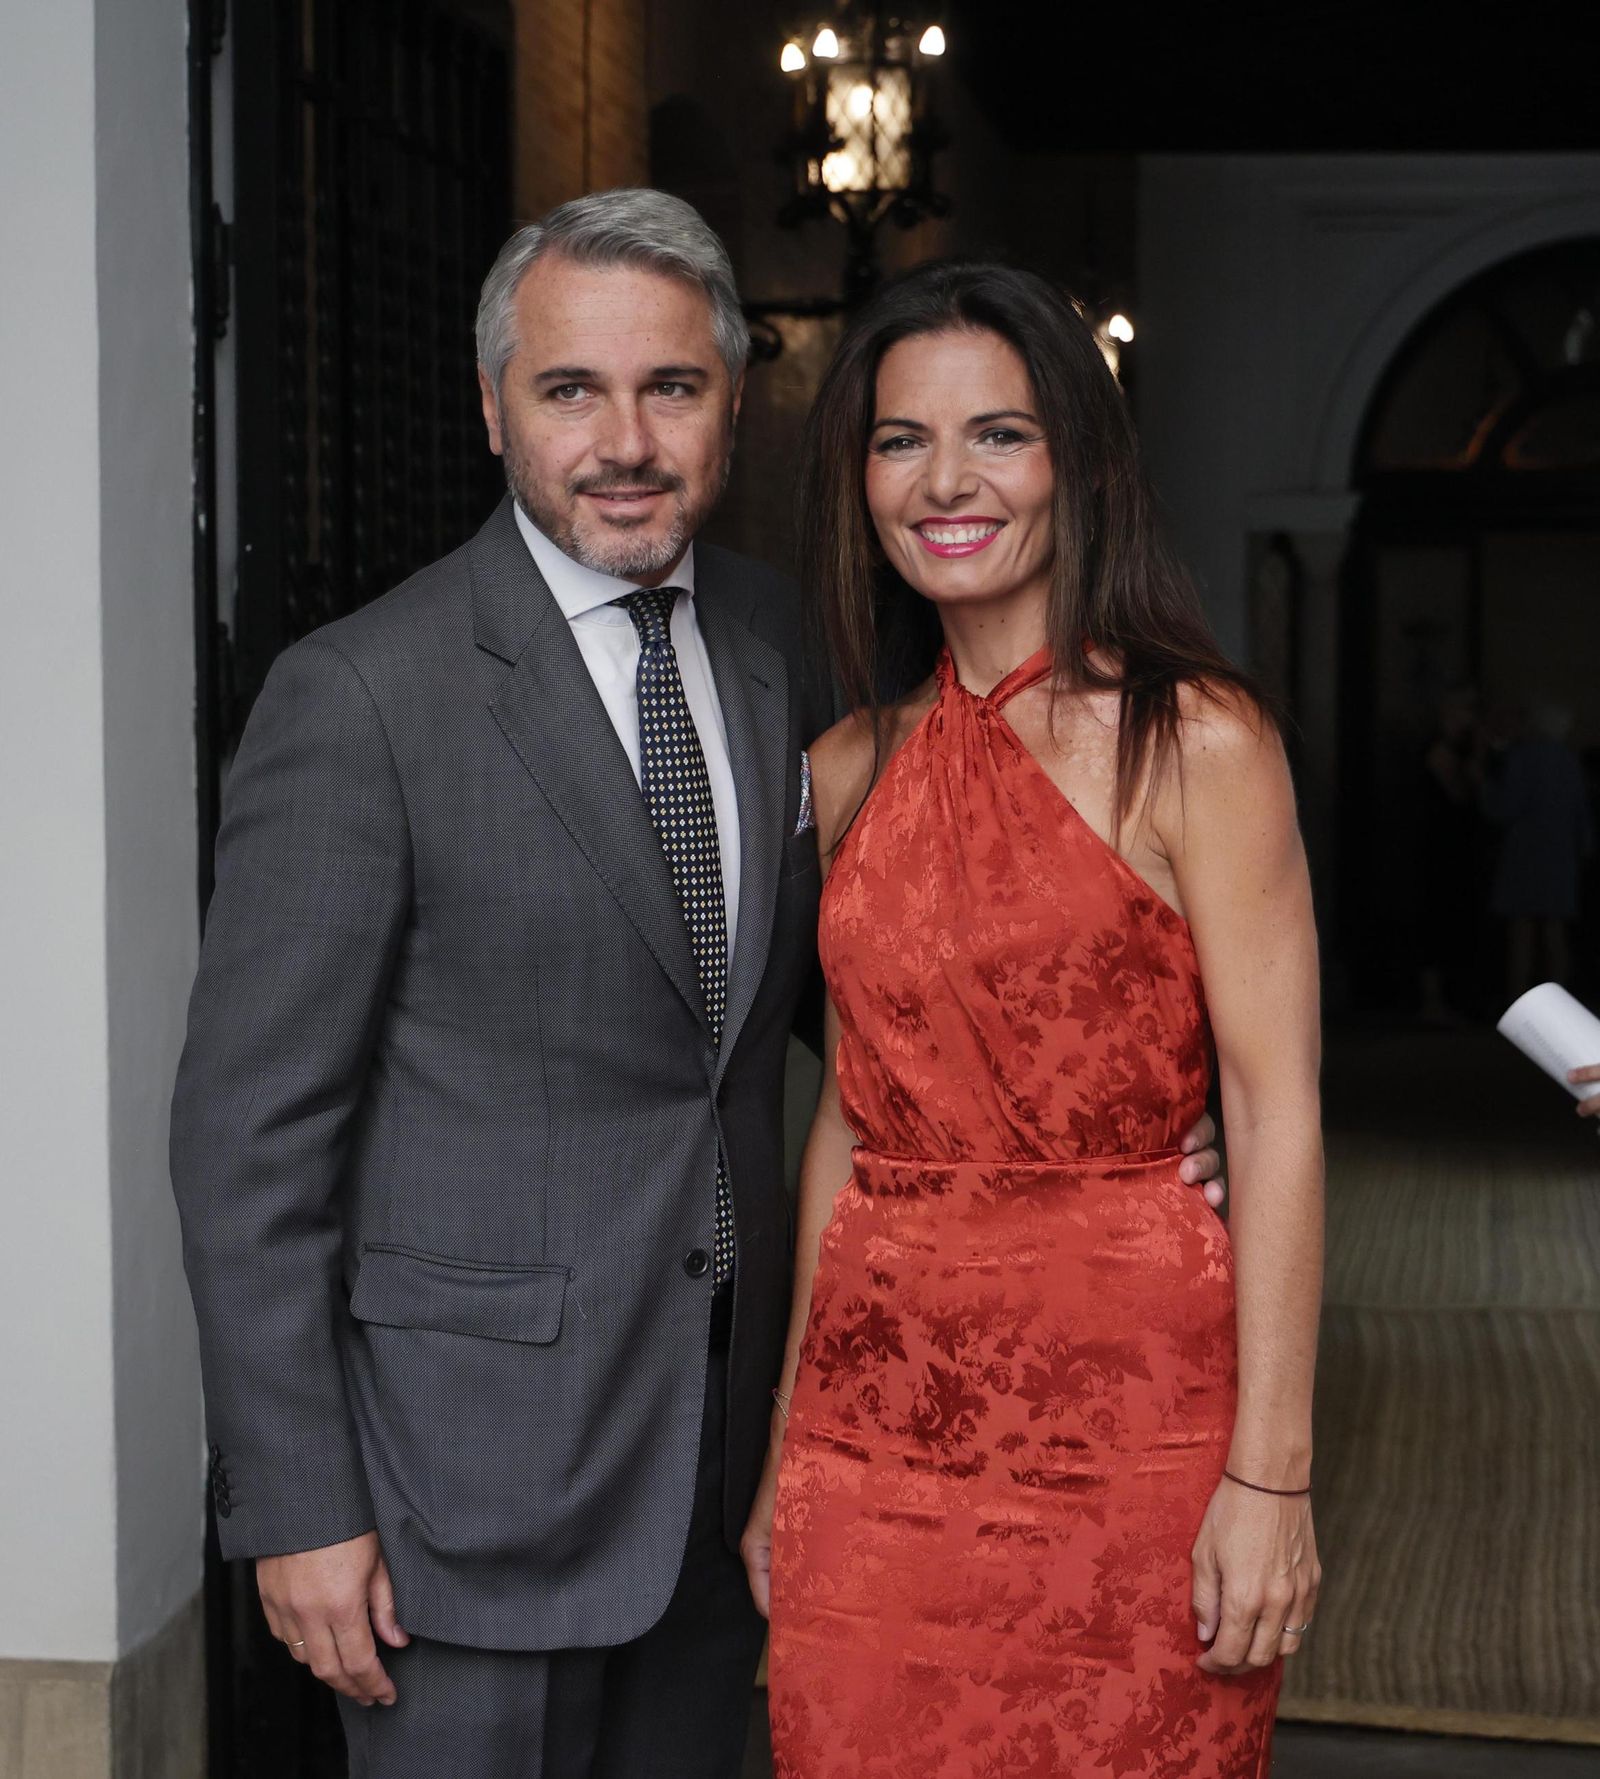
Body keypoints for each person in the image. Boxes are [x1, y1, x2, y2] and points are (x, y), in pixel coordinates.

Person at [169, 194, 1227, 1779]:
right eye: (569, 390)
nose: (626, 441)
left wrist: (1118, 1136)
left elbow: (888, 987)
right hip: (459, 1504)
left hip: (740, 1469)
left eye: (671, 387)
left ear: (736, 400)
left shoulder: (780, 638)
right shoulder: (363, 697)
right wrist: (302, 1504)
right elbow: (245, 1144)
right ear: (490, 406)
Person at [746, 262, 1324, 1778]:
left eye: (998, 433)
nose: (945, 481)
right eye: (899, 440)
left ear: (1080, 456)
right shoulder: (844, 769)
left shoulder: (1196, 739)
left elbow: (1274, 1113)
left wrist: (1273, 1472)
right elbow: (844, 1121)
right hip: (869, 1446)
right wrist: (782, 1467)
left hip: (1135, 1424)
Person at [1483, 700, 1595, 1000]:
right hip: (1560, 858)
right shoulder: (1569, 762)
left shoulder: (1522, 758)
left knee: (1522, 932)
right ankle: (1558, 1003)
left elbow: (1505, 807)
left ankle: (1519, 1002)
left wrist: (1484, 789)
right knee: (1554, 933)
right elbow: (1581, 814)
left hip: (1525, 855)